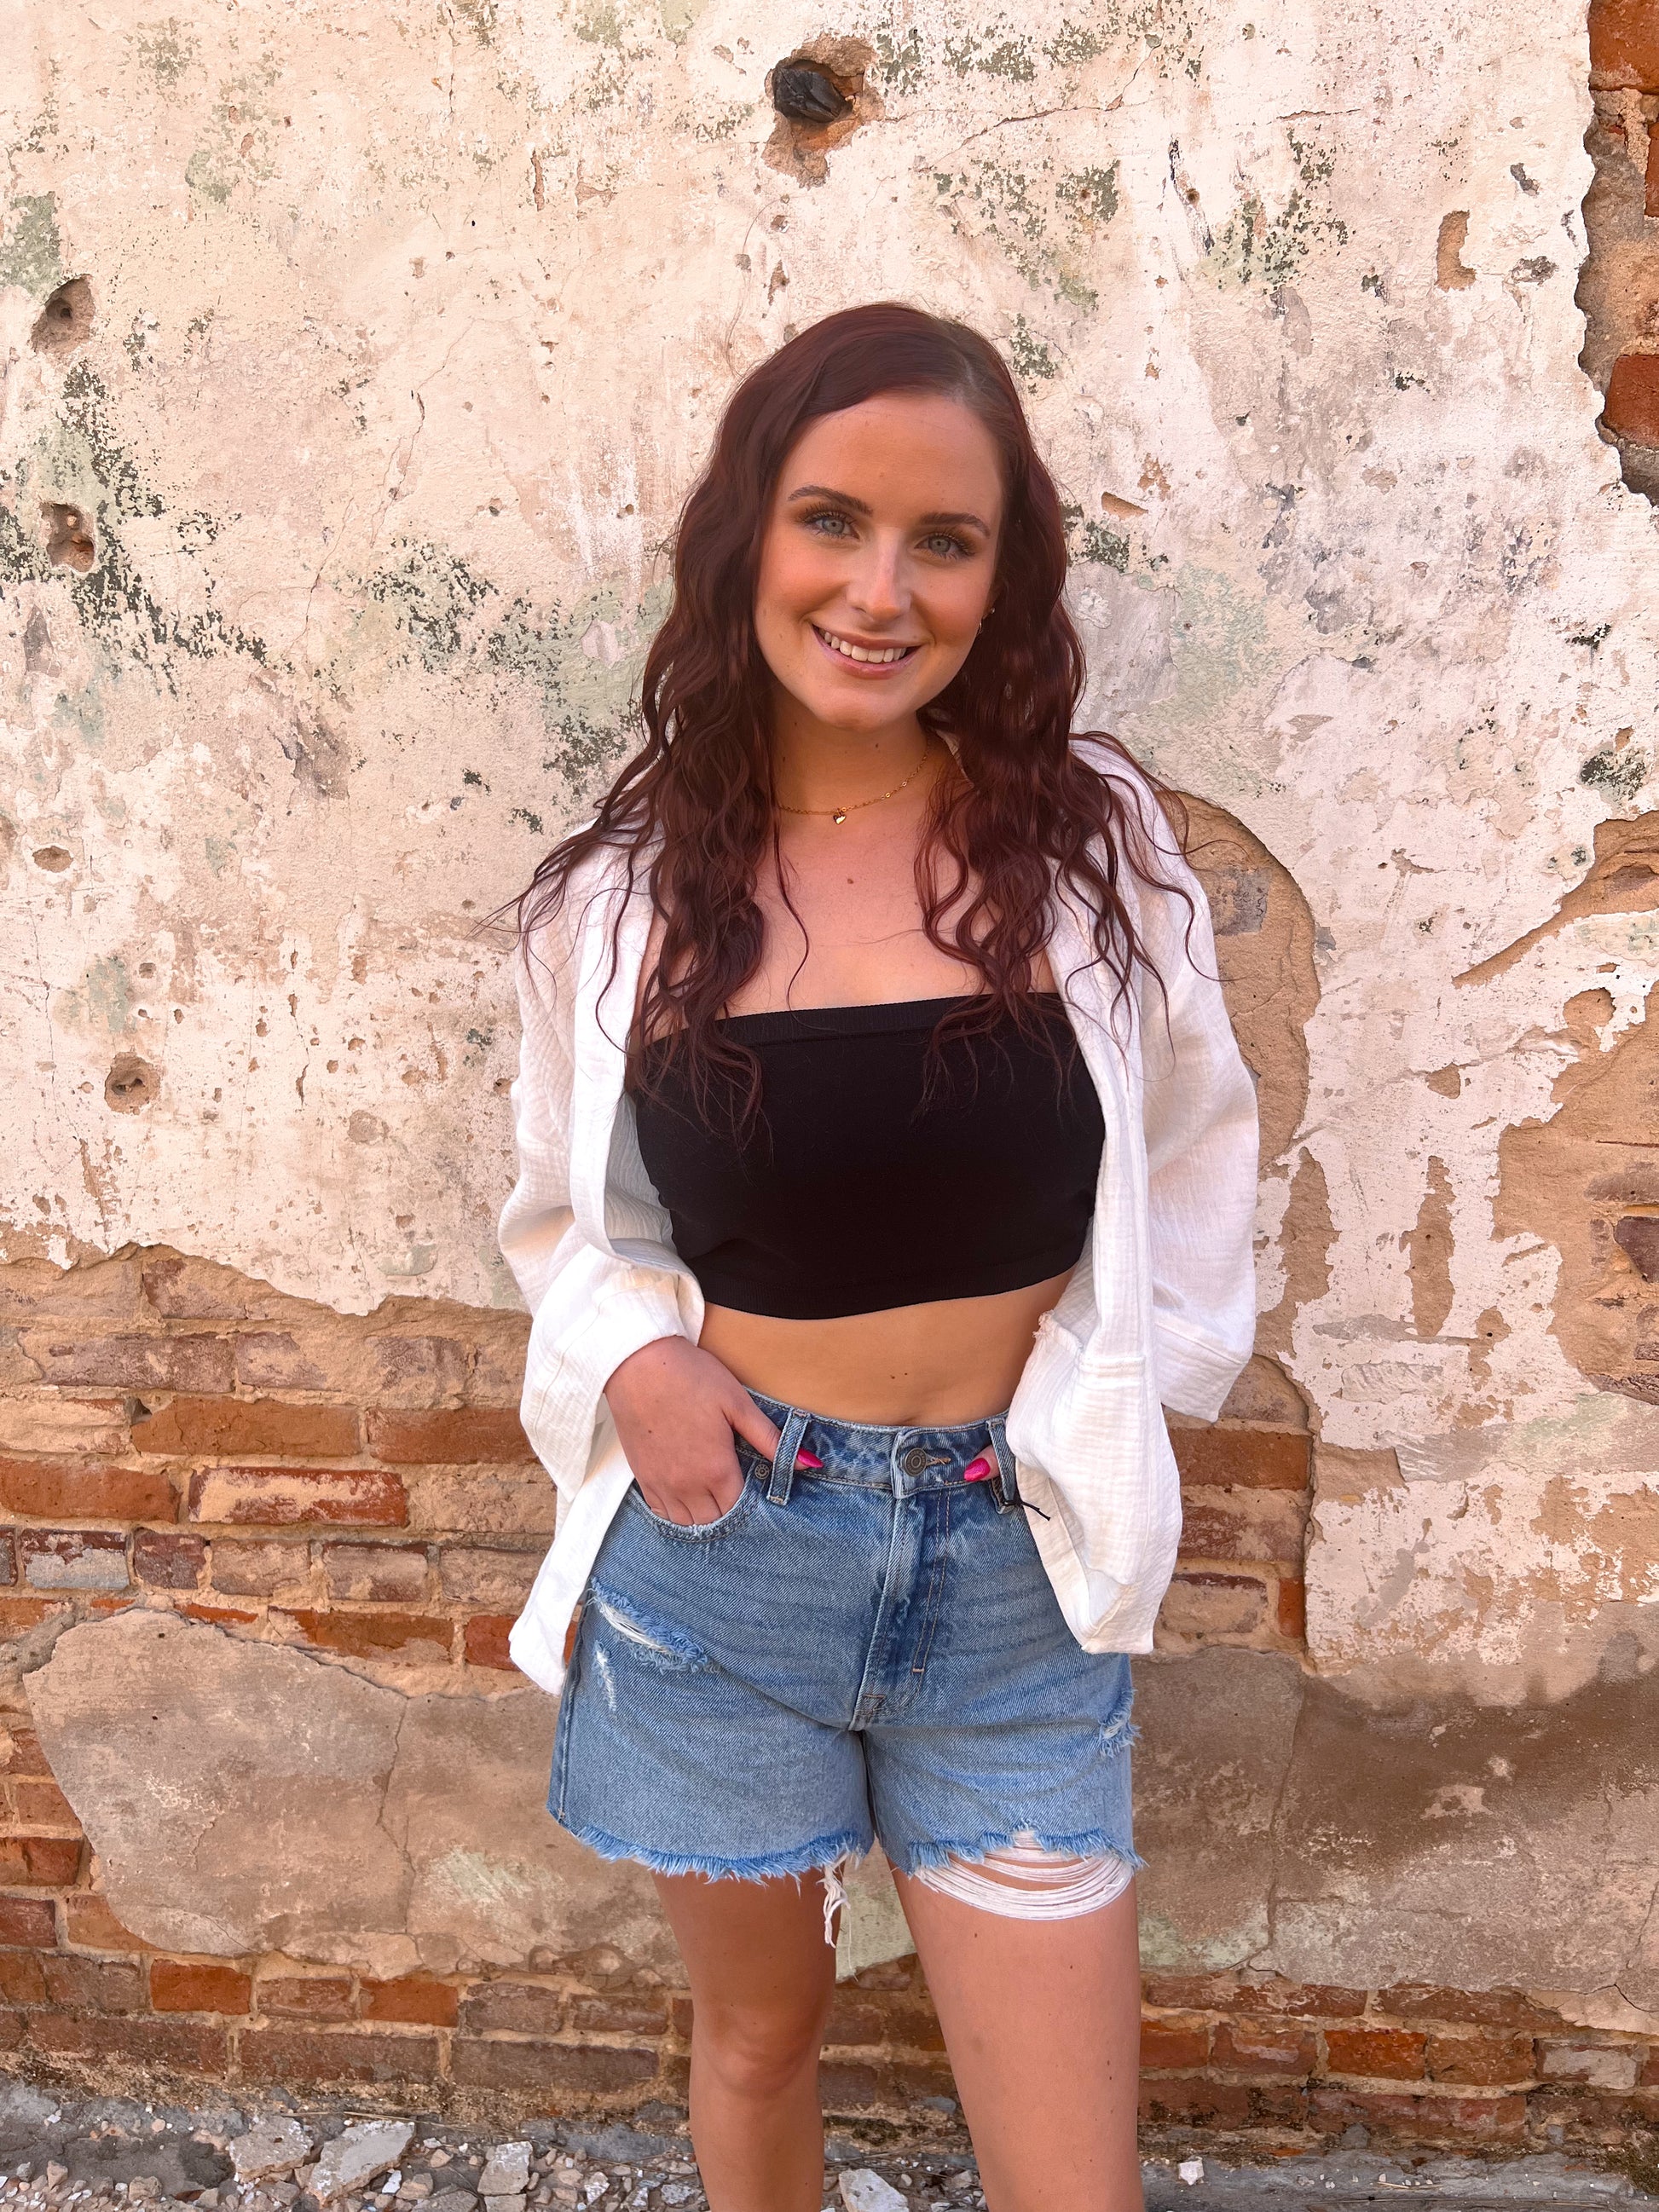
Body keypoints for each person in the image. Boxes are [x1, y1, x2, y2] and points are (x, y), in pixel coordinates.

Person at [496, 302, 1259, 2212]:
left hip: (1014, 1569)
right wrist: (634, 1361)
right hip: (726, 1565)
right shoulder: (618, 902)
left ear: (1004, 582)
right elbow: (567, 1213)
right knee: (759, 2043)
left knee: (1071, 2178)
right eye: (831, 519)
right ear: (745, 534)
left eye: (945, 540)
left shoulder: (1093, 851)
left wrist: (1119, 1410)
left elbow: (1193, 1154)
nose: (879, 588)